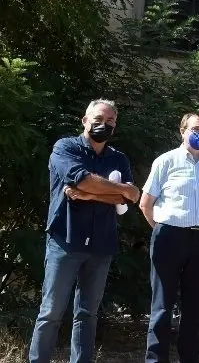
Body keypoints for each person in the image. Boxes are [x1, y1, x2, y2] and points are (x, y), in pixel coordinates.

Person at [29, 99, 140, 363]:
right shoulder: (65, 147)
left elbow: (130, 197)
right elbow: (80, 178)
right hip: (64, 241)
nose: (104, 125)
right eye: (99, 119)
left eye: (110, 121)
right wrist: (116, 188)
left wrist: (89, 195)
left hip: (101, 244)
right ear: (85, 120)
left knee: (88, 314)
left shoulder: (118, 158)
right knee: (51, 312)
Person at [139, 112, 199, 363]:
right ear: (182, 131)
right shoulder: (165, 161)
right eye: (195, 129)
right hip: (169, 237)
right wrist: (163, 230)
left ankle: (189, 359)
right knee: (162, 306)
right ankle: (156, 360)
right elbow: (146, 204)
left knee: (194, 307)